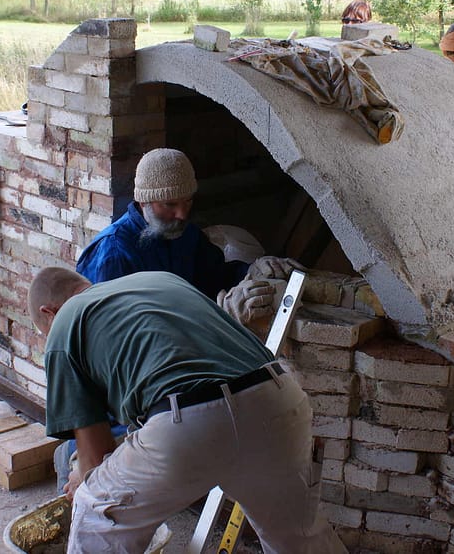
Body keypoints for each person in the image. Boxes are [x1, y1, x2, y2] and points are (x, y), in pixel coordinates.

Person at [30, 268, 346, 554]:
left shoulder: (64, 325)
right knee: (300, 541)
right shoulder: (158, 280)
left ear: (48, 313)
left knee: (94, 510)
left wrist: (81, 478)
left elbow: (94, 458)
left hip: (189, 423)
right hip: (278, 400)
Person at [75, 147, 298, 323]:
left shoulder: (187, 235)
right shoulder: (113, 254)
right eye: (170, 204)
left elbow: (216, 276)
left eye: (188, 202)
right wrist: (221, 314)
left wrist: (253, 270)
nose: (182, 214)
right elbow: (119, 336)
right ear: (144, 201)